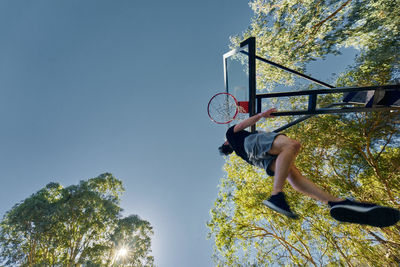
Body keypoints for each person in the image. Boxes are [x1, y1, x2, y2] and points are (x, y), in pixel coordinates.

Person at [218, 108, 400, 227]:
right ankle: (276, 195)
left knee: (292, 174)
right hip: (253, 145)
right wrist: (261, 115)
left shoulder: (241, 155)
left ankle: (335, 202)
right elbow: (243, 125)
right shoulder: (231, 134)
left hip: (258, 161)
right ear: (227, 143)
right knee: (291, 145)